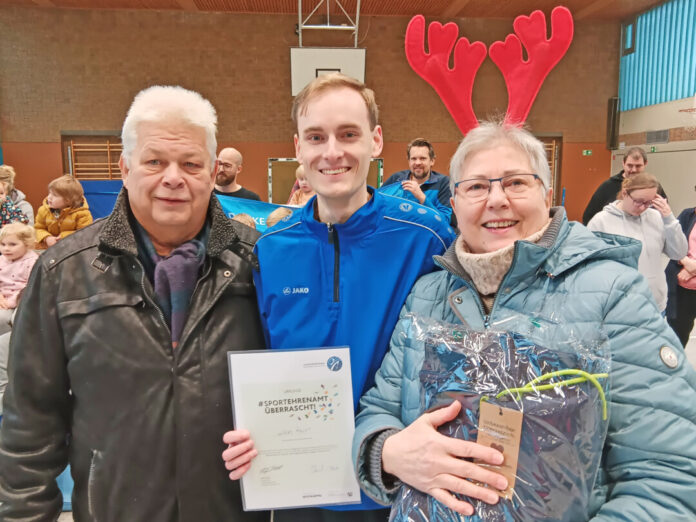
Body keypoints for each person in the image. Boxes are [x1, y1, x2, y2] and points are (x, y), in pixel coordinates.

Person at [352, 122, 696, 521]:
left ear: (546, 194)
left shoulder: (612, 293)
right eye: (477, 186)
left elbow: (669, 477)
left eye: (516, 182)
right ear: (455, 202)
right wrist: (385, 451)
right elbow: (379, 410)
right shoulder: (427, 296)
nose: (496, 199)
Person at [0, 85, 267, 521]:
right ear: (125, 168)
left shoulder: (259, 264)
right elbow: (30, 419)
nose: (173, 177)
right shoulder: (62, 273)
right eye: (155, 161)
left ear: (213, 170)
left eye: (191, 163)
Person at [222, 73, 455, 522]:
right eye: (316, 137)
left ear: (376, 140)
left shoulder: (426, 236)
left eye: (349, 134)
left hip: (397, 486)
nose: (332, 152)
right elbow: (260, 357)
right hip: (296, 485)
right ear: (298, 147)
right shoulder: (271, 247)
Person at [587, 172, 687, 313]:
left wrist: (669, 219)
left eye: (649, 202)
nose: (643, 207)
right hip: (619, 308)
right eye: (639, 201)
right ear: (625, 193)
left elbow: (679, 253)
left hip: (655, 306)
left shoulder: (656, 217)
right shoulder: (601, 221)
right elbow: (590, 268)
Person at [582, 147, 667, 225]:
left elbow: (663, 214)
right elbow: (588, 217)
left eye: (638, 166)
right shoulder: (608, 186)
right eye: (630, 165)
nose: (633, 170)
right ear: (623, 163)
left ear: (645, 164)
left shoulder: (653, 187)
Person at [380, 138, 452, 222]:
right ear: (409, 161)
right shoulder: (396, 179)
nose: (417, 163)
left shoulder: (444, 183)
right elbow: (378, 204)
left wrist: (421, 197)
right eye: (413, 159)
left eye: (422, 158)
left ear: (432, 161)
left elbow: (444, 221)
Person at [666, 187, 696, 346]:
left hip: (689, 276)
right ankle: (675, 370)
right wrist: (686, 262)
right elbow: (671, 244)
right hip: (682, 288)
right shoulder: (687, 215)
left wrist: (693, 268)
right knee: (677, 335)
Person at [34, 175, 93, 248]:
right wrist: (46, 238)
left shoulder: (83, 214)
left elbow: (85, 233)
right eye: (49, 193)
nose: (49, 197)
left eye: (54, 195)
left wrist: (64, 237)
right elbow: (38, 228)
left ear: (68, 200)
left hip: (70, 249)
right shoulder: (43, 210)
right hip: (47, 249)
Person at [0, 222, 38, 335]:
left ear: (27, 244)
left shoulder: (33, 261)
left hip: (23, 302)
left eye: (12, 244)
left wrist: (16, 301)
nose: (6, 248)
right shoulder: (1, 259)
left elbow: (33, 287)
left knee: (18, 319)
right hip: (3, 301)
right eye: (3, 244)